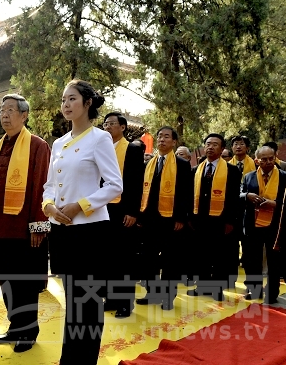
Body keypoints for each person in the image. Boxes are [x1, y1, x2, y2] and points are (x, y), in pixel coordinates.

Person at [43, 81, 122, 364]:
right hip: (62, 229)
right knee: (72, 299)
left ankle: (83, 360)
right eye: (63, 99)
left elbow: (115, 186)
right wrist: (49, 205)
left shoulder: (99, 138)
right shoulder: (59, 143)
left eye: (72, 99)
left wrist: (81, 205)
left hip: (89, 230)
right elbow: (50, 185)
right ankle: (70, 359)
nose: (65, 104)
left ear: (87, 103)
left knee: (87, 302)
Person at [0, 93, 50, 353]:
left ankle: (28, 332)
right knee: (7, 280)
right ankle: (14, 326)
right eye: (2, 110)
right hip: (0, 228)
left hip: (24, 229)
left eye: (10, 110)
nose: (4, 115)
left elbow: (42, 187)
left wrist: (38, 225)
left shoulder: (37, 145)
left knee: (25, 282)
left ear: (24, 115)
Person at [136, 126, 192, 310]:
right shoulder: (149, 164)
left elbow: (186, 194)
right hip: (150, 219)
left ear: (174, 141)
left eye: (166, 137)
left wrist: (181, 219)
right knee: (148, 258)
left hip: (171, 220)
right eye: (159, 136)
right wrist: (140, 216)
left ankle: (168, 297)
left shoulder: (182, 165)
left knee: (170, 260)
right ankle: (152, 294)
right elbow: (141, 192)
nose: (162, 140)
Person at [187, 134, 241, 301]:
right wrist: (190, 217)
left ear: (222, 148)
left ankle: (217, 288)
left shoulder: (232, 170)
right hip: (199, 220)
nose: (210, 147)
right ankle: (202, 286)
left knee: (219, 256)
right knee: (200, 255)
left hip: (220, 220)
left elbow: (234, 198)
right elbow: (190, 196)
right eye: (208, 144)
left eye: (215, 145)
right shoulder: (196, 170)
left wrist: (231, 221)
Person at [102, 112, 144, 318]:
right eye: (105, 124)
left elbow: (136, 183)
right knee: (107, 257)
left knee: (124, 258)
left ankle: (125, 303)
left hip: (123, 209)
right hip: (103, 209)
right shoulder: (101, 148)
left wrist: (132, 211)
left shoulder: (133, 149)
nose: (107, 127)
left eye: (111, 124)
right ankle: (110, 299)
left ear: (123, 127)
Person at [241, 146, 286, 303]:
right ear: (257, 160)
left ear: (275, 157)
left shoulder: (285, 177)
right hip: (252, 225)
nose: (268, 162)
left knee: (274, 260)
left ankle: (272, 292)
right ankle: (253, 290)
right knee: (251, 260)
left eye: (271, 158)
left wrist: (276, 204)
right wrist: (247, 195)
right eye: (264, 159)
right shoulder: (248, 177)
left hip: (275, 226)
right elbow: (238, 194)